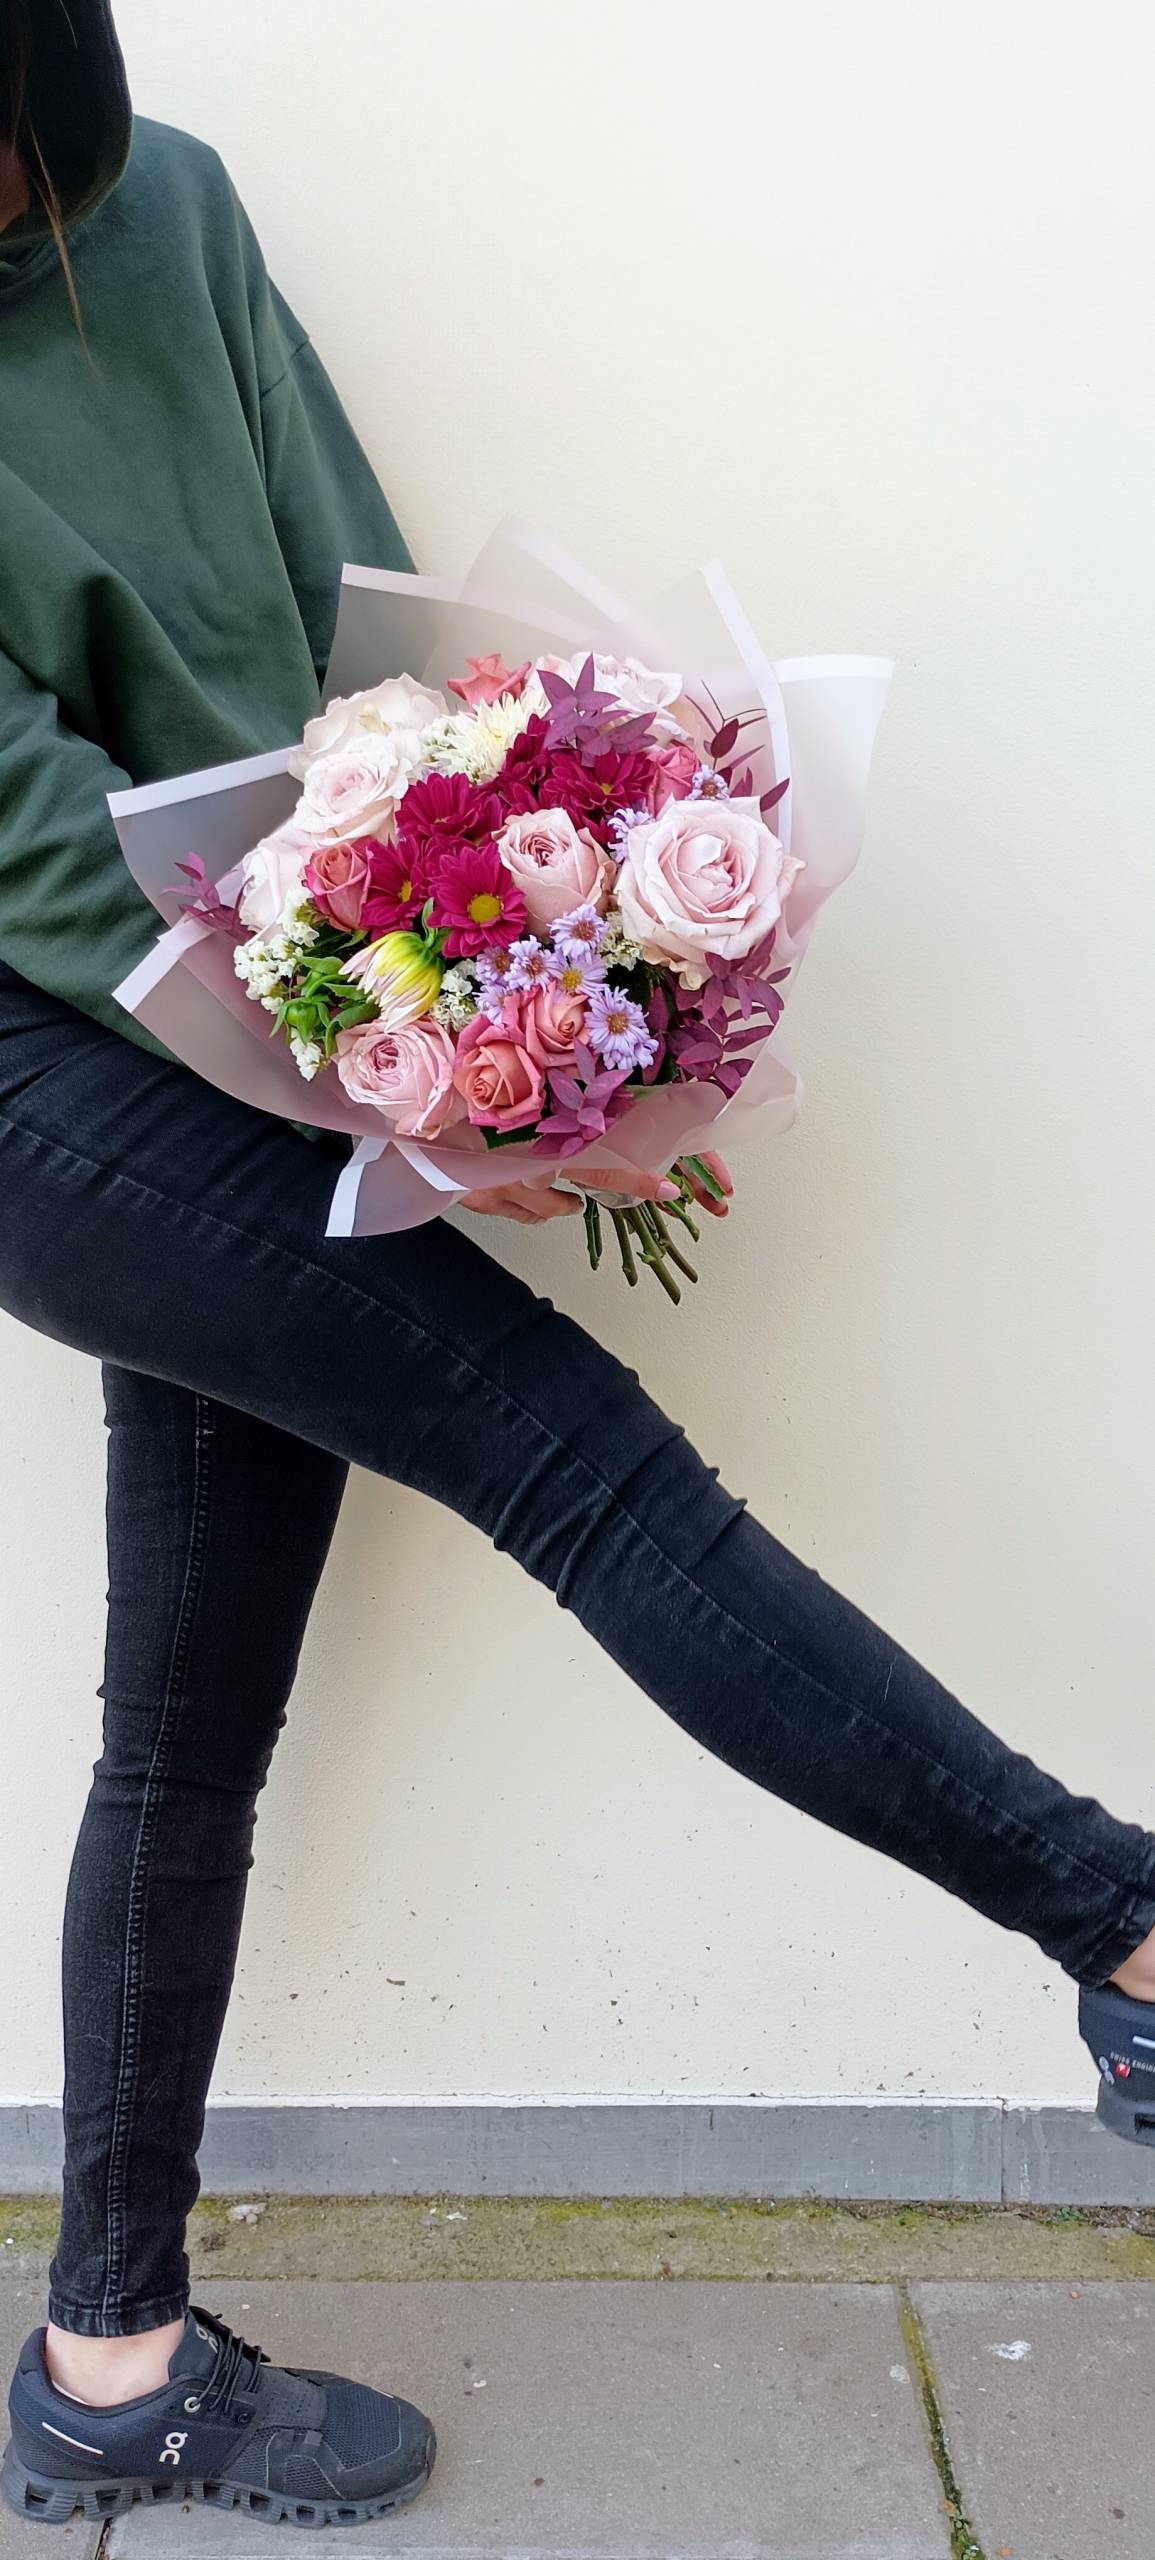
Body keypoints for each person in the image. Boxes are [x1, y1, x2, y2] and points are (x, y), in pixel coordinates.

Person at [1, 0, 1152, 2535]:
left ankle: (107, 2356)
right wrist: (381, 1079)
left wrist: (522, 986)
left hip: (279, 976)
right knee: (576, 1465)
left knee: (186, 1718)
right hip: (51, 1059)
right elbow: (45, 850)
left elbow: (348, 624)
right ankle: (1123, 1924)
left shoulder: (166, 204)